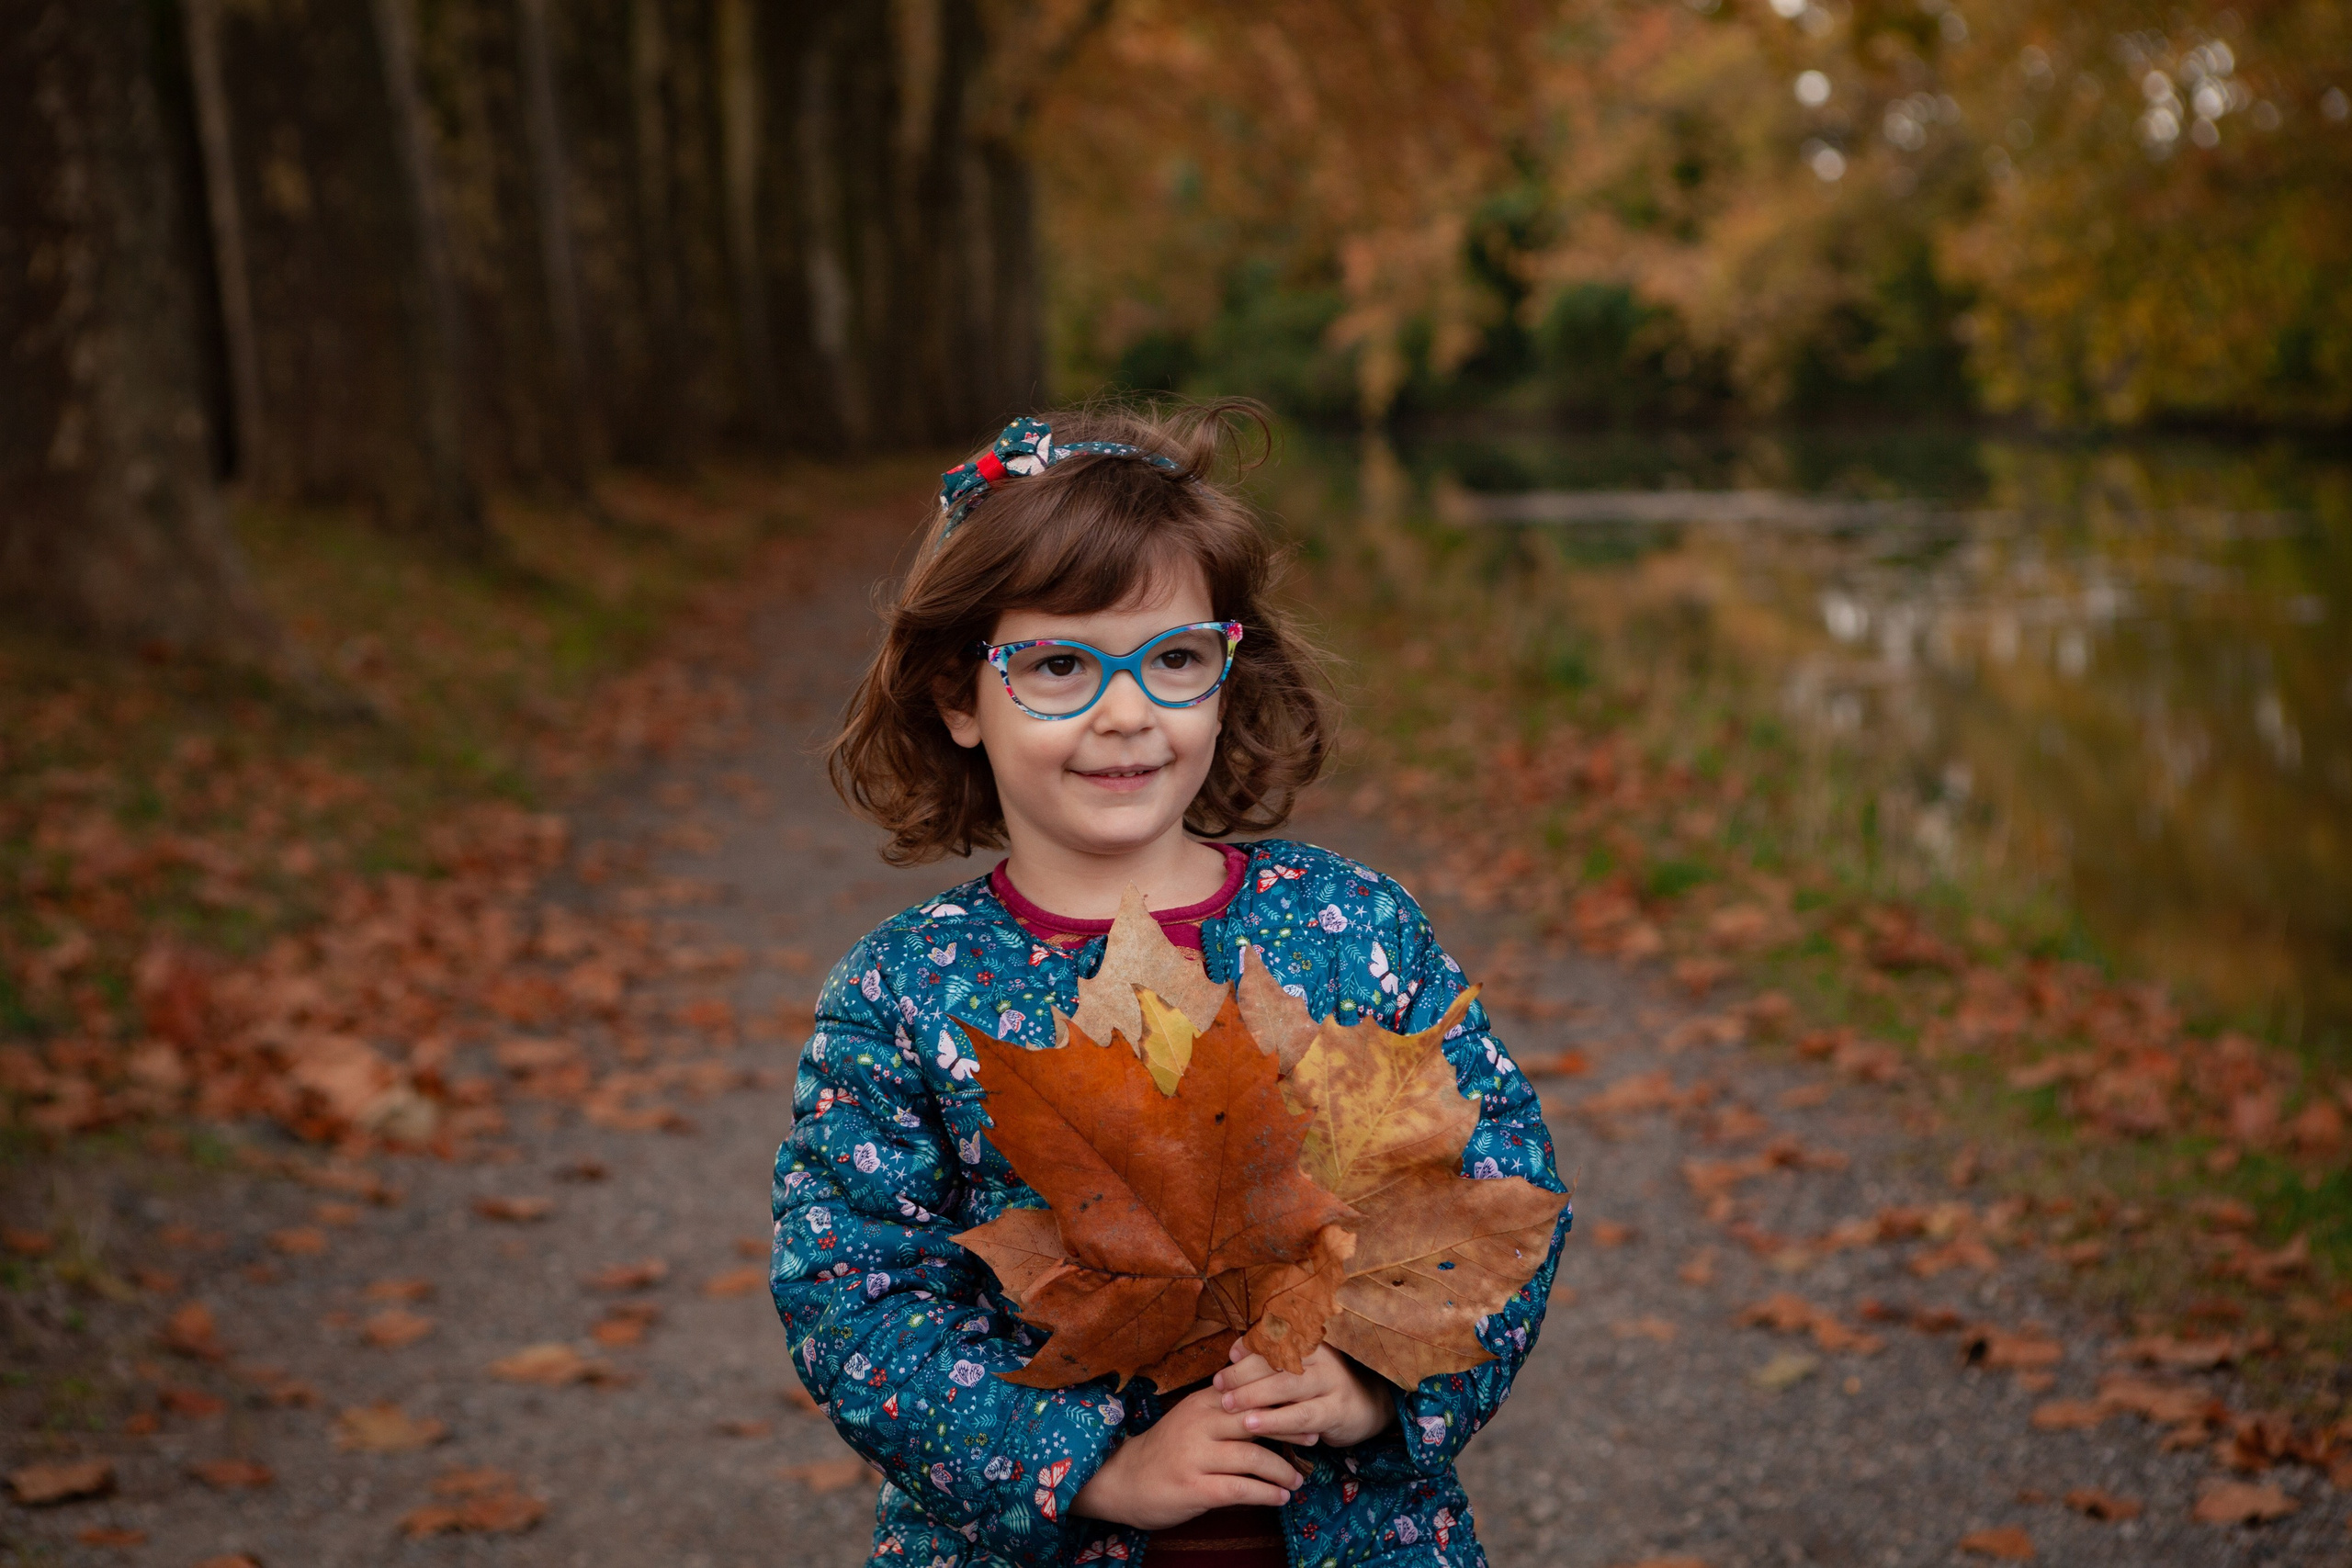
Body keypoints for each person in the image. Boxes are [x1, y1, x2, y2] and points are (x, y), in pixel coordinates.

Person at [770, 402, 1568, 1567]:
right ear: (956, 697)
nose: (1126, 712)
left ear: (1227, 671)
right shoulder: (904, 993)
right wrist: (1086, 1465)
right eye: (1055, 665)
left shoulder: (1350, 928)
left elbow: (1501, 1189)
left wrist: (1374, 1381)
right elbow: (851, 1291)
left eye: (1175, 659)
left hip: (1358, 1537)